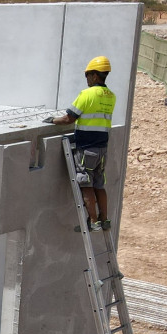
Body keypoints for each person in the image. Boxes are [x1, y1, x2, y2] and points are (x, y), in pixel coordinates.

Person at [47, 56, 116, 231]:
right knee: (99, 185)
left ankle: (93, 222)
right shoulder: (111, 96)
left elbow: (69, 118)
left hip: (87, 149)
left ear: (94, 75)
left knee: (86, 184)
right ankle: (104, 219)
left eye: (87, 76)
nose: (87, 80)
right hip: (102, 149)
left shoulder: (87, 94)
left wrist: (52, 121)